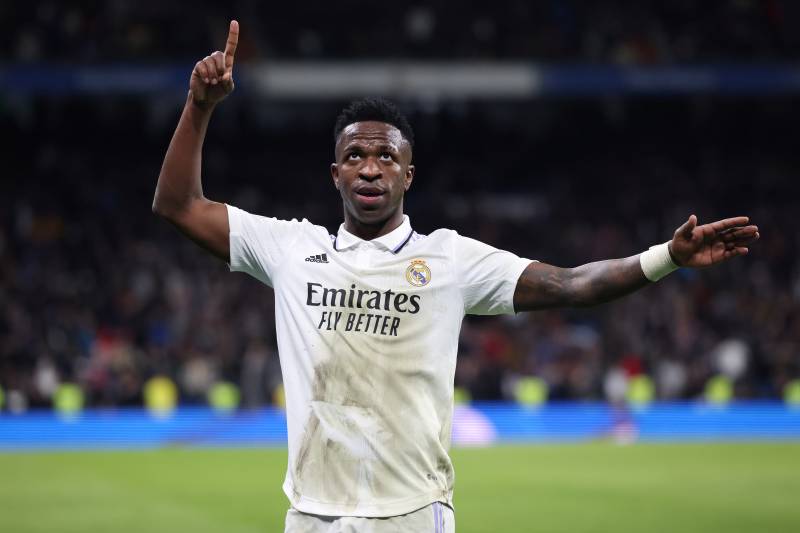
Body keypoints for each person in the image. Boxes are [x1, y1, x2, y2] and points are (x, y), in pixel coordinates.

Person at [152, 20, 760, 533]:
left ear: (409, 175)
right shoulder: (289, 248)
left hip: (415, 515)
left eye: (387, 156)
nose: (371, 168)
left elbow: (575, 284)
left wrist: (668, 257)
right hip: (312, 516)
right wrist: (200, 106)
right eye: (356, 156)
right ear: (334, 174)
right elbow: (178, 205)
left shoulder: (450, 260)